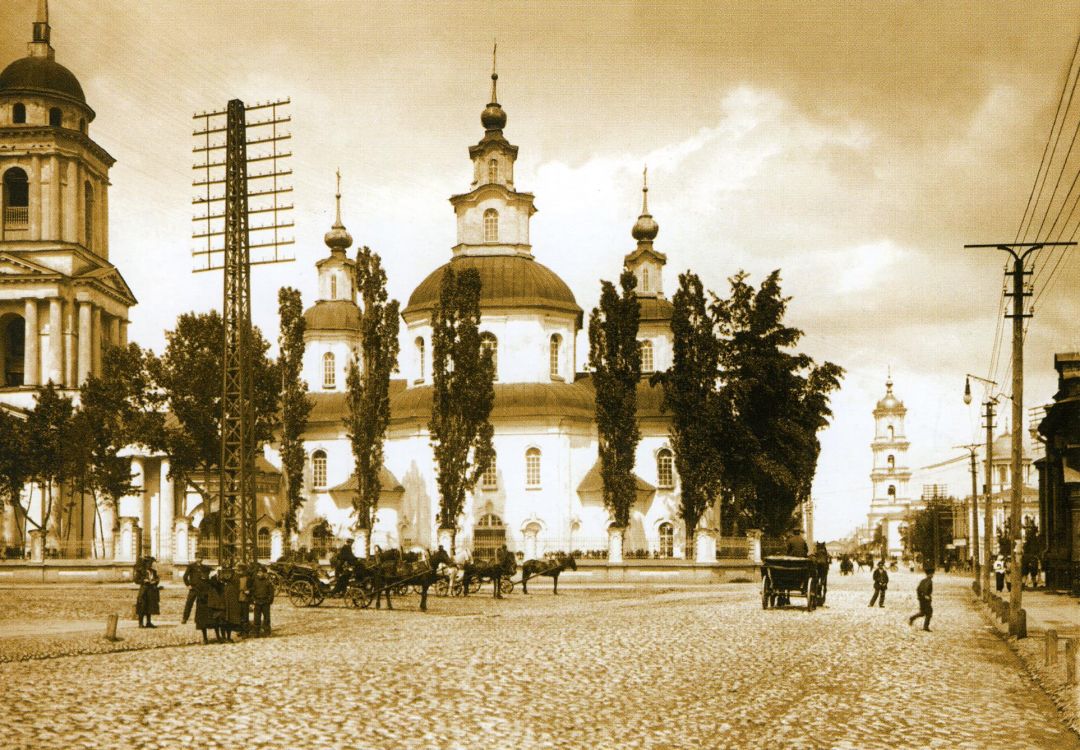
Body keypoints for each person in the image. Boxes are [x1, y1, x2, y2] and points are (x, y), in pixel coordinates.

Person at [181, 556, 209, 625]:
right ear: (195, 558)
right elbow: (185, 577)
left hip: (202, 589)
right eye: (198, 558)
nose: (199, 559)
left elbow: (209, 573)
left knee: (202, 604)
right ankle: (185, 618)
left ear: (202, 559)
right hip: (193, 588)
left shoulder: (205, 567)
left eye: (201, 558)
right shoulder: (191, 566)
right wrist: (188, 585)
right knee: (189, 603)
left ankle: (201, 619)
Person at [135, 556, 161, 628]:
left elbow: (156, 579)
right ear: (147, 563)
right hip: (144, 590)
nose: (152, 565)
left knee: (150, 606)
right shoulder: (140, 571)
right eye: (151, 563)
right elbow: (136, 580)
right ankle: (140, 623)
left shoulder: (154, 571)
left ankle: (148, 622)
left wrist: (156, 581)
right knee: (142, 606)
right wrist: (143, 581)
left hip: (151, 590)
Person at [250, 565, 275, 637]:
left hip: (265, 602)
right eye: (258, 572)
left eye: (261, 572)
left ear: (264, 573)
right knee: (256, 618)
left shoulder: (268, 581)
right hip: (257, 602)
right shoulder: (255, 581)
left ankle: (267, 632)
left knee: (266, 618)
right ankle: (256, 632)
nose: (259, 574)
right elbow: (253, 591)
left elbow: (271, 592)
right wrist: (253, 600)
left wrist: (269, 601)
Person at [908, 566, 934, 631]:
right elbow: (924, 589)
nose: (932, 575)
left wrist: (920, 596)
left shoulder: (923, 580)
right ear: (928, 574)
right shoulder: (929, 581)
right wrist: (925, 596)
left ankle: (912, 618)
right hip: (925, 600)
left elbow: (918, 589)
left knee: (922, 613)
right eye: (931, 574)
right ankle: (925, 627)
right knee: (929, 613)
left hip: (921, 599)